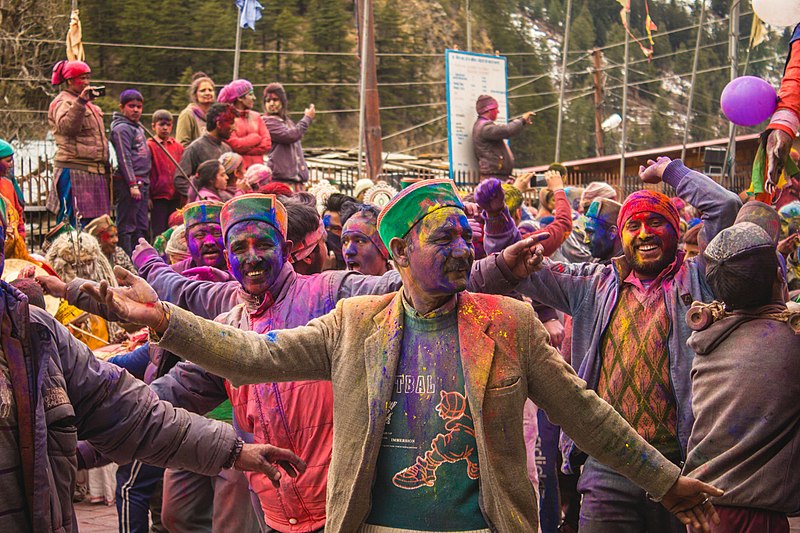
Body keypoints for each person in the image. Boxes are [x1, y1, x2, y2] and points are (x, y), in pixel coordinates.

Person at [94, 180, 723, 533]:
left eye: (465, 235)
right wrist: (165, 322)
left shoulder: (508, 323)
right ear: (399, 255)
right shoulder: (354, 325)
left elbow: (586, 414)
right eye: (443, 237)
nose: (461, 248)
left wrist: (666, 482)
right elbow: (253, 354)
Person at [0, 195, 305, 531]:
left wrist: (237, 451)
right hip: (191, 417)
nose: (250, 257)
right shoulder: (224, 300)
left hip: (232, 434)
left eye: (262, 243)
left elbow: (128, 409)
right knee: (176, 514)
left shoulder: (34, 332)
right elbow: (144, 318)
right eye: (200, 234)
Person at [486, 157, 740, 532]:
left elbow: (725, 207)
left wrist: (670, 171)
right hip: (610, 467)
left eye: (656, 222)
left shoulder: (701, 278)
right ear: (621, 237)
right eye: (633, 225)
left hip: (684, 464)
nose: (644, 233)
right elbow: (518, 267)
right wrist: (496, 221)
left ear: (676, 228)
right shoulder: (594, 283)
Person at [683, 222, 800, 533]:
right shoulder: (790, 341)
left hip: (703, 510)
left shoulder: (706, 340)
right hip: (758, 515)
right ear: (779, 276)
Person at [47, 59, 109, 226]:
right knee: (73, 221)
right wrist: (80, 102)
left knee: (96, 224)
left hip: (93, 171)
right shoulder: (63, 101)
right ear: (69, 81)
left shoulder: (89, 104)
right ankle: (67, 252)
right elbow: (67, 128)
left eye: (88, 77)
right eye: (82, 78)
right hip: (74, 169)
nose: (87, 82)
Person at [110, 89, 151, 254]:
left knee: (141, 225)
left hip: (143, 182)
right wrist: (132, 184)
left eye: (139, 107)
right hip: (130, 184)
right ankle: (126, 258)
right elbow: (124, 158)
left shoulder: (138, 128)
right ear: (122, 107)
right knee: (127, 224)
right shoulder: (121, 129)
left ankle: (141, 259)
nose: (136, 110)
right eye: (131, 106)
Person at [174, 103, 235, 202]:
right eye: (231, 122)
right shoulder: (195, 148)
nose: (234, 128)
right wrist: (200, 196)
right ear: (219, 124)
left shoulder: (227, 149)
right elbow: (180, 180)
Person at [262, 82, 314, 188]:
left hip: (295, 182)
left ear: (283, 102)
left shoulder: (288, 122)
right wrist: (307, 118)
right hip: (280, 181)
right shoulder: (267, 122)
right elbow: (290, 136)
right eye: (268, 101)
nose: (271, 104)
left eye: (275, 100)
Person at [471, 94, 534, 181]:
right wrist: (522, 120)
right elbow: (507, 130)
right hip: (494, 177)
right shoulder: (484, 128)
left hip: (497, 176)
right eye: (496, 109)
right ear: (489, 110)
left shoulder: (482, 126)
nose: (498, 111)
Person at [218, 79, 271, 169]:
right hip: (238, 173)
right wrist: (255, 138)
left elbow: (267, 144)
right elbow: (235, 145)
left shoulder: (257, 117)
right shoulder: (228, 119)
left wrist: (244, 150)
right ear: (239, 98)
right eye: (250, 94)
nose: (254, 98)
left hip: (258, 172)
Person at [147, 109, 183, 236]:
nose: (165, 128)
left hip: (175, 195)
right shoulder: (150, 145)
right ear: (153, 126)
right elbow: (147, 172)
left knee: (175, 228)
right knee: (159, 230)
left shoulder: (178, 147)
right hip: (158, 196)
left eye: (168, 125)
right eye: (161, 125)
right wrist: (148, 196)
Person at [340, 203, 391, 276]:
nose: (349, 251)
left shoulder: (404, 284)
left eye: (359, 241)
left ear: (384, 248)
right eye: (345, 242)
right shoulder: (337, 286)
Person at [176, 72, 216, 147]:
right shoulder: (187, 114)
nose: (207, 93)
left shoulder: (215, 114)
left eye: (210, 90)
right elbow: (182, 144)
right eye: (203, 90)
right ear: (195, 95)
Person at [583, 198, 623, 263]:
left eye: (590, 233)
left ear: (612, 232)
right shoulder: (601, 263)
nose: (585, 241)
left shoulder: (628, 269)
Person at [0, 139, 26, 238]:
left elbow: (18, 212)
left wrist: (20, 235)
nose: (11, 164)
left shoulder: (8, 185)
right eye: (8, 161)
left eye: (12, 160)